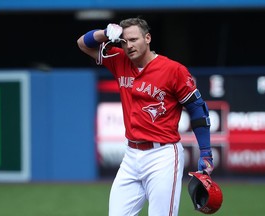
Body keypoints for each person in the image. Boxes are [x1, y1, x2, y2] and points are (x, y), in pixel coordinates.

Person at [77, 17, 214, 216]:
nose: (129, 45)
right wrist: (105, 34)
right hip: (131, 155)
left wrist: (206, 152)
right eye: (124, 41)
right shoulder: (119, 60)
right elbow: (82, 43)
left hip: (163, 155)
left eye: (134, 39)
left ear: (147, 38)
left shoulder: (173, 70)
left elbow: (197, 109)